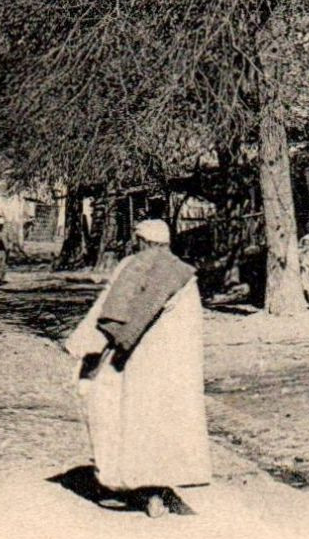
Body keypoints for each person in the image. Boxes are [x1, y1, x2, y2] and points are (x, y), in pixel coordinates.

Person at [64, 219, 210, 516]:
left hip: (130, 362)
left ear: (141, 240)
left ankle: (127, 486)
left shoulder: (134, 266)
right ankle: (159, 488)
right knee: (163, 423)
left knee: (114, 412)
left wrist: (84, 347)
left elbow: (108, 311)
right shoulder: (185, 276)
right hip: (171, 370)